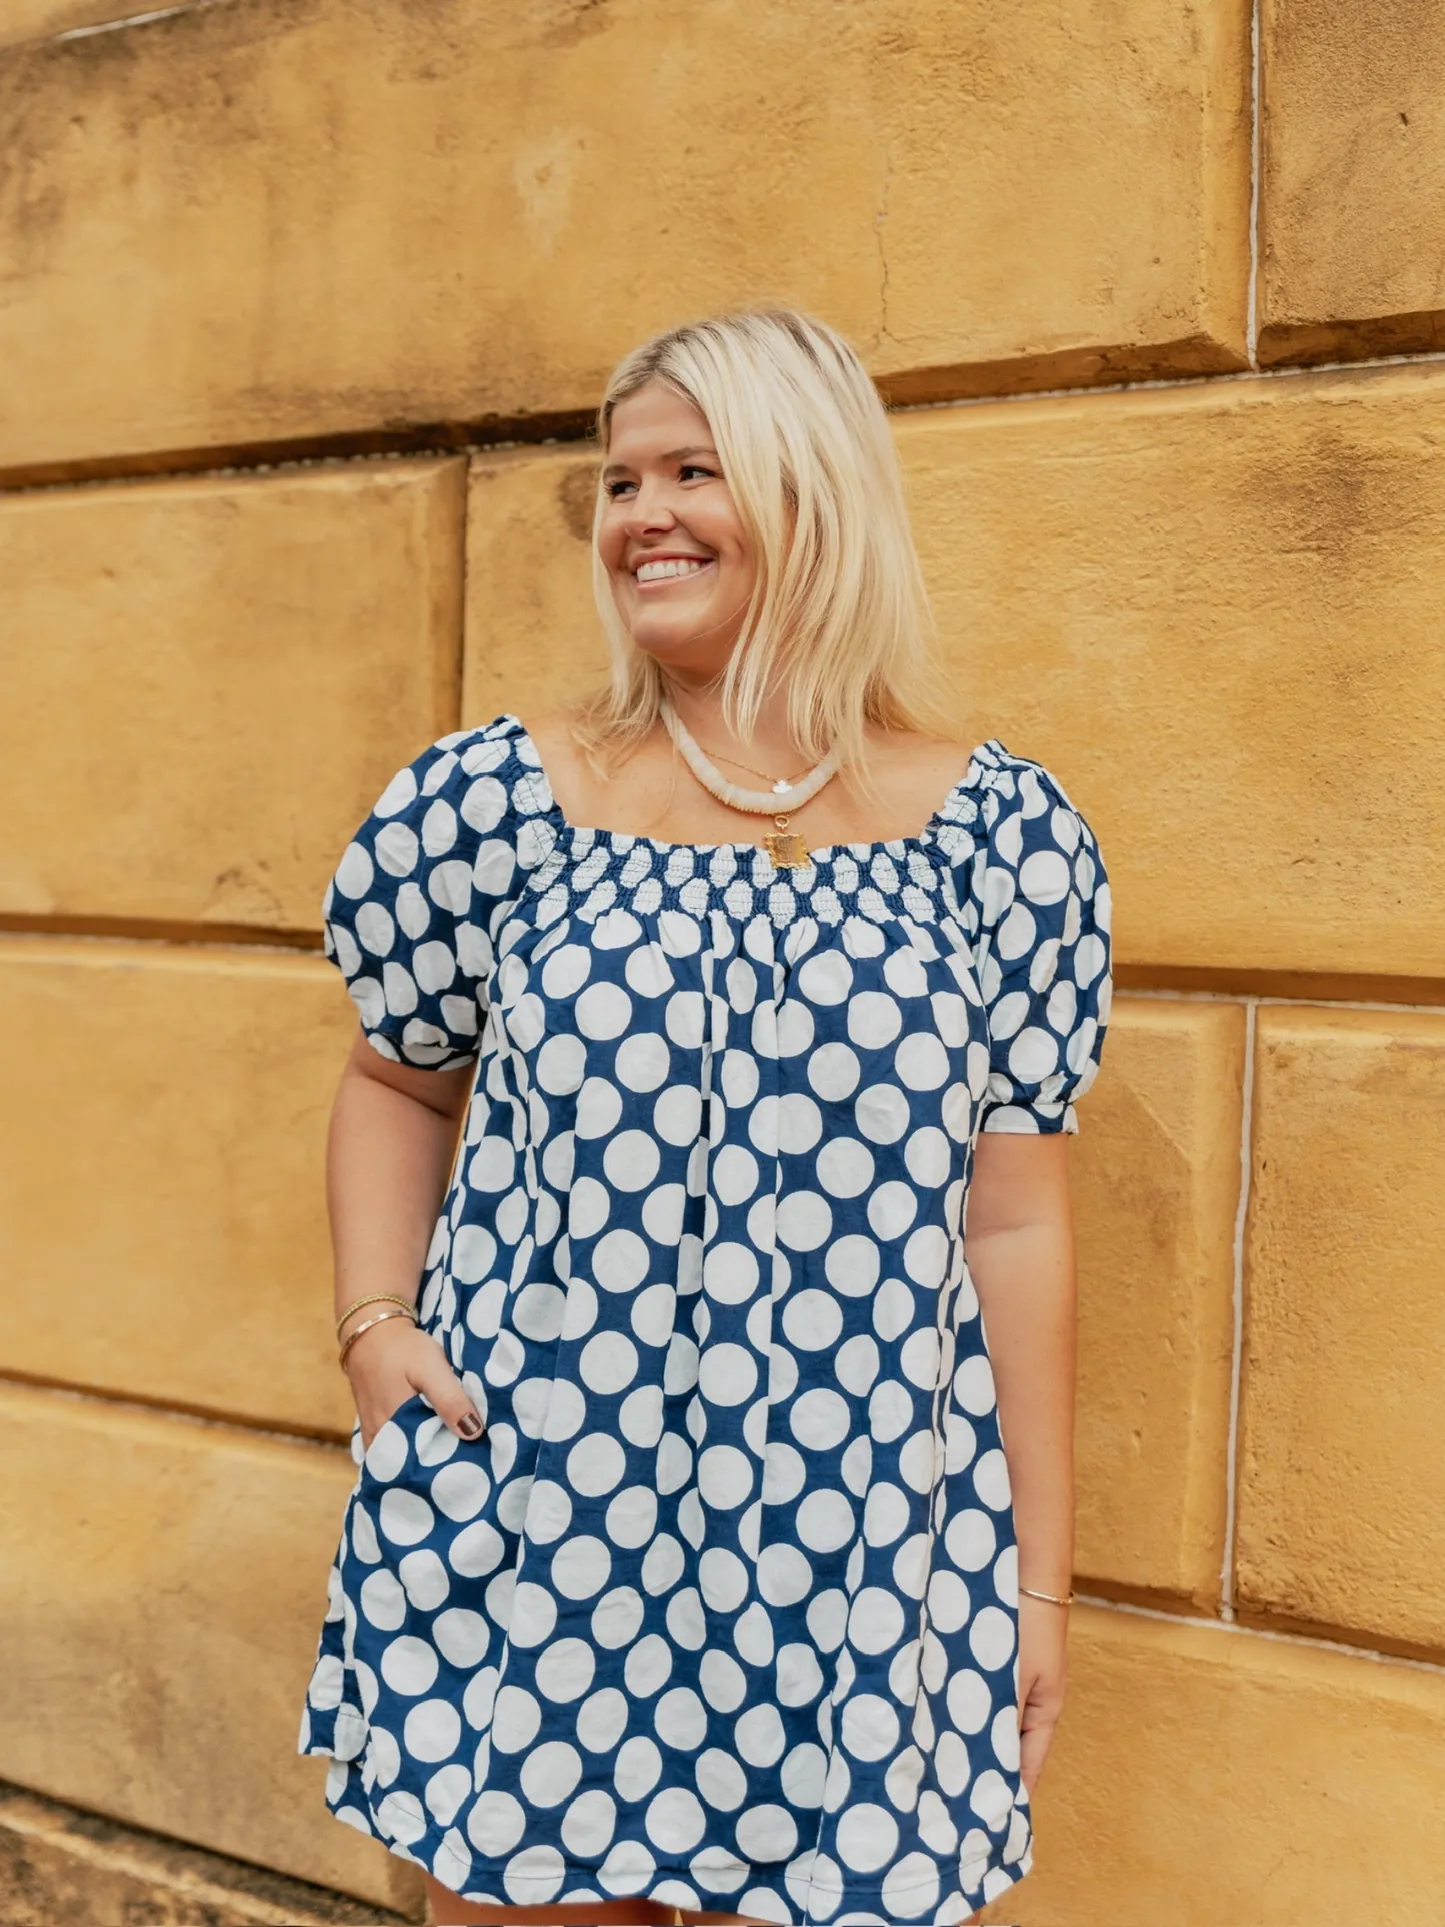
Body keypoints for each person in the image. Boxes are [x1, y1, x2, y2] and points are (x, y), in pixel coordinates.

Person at [297, 307, 1112, 1927]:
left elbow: (1015, 1221)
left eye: (693, 470)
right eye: (620, 482)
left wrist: (1038, 1580)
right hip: (539, 1517)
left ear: (814, 487)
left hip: (859, 1557)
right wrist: (375, 1327)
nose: (640, 516)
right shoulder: (496, 804)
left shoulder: (1000, 843)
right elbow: (396, 1075)